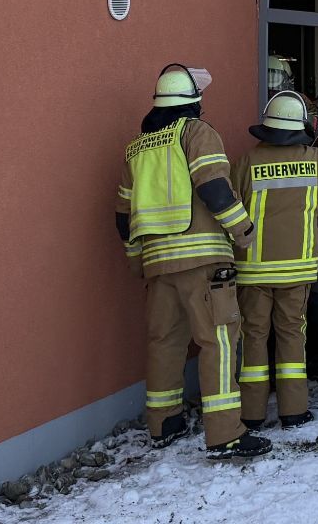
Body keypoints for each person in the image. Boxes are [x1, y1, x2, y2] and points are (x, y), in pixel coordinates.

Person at [115, 64, 271, 460]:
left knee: (164, 341)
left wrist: (138, 261)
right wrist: (245, 233)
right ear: (194, 104)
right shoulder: (198, 133)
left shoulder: (137, 147)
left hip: (157, 264)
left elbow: (123, 216)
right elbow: (215, 188)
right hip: (202, 261)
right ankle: (224, 433)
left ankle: (163, 422)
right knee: (218, 340)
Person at [231, 91, 318, 432]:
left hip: (252, 270)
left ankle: (250, 413)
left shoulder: (246, 162)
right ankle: (293, 411)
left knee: (253, 337)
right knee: (292, 336)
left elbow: (229, 204)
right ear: (300, 129)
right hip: (297, 269)